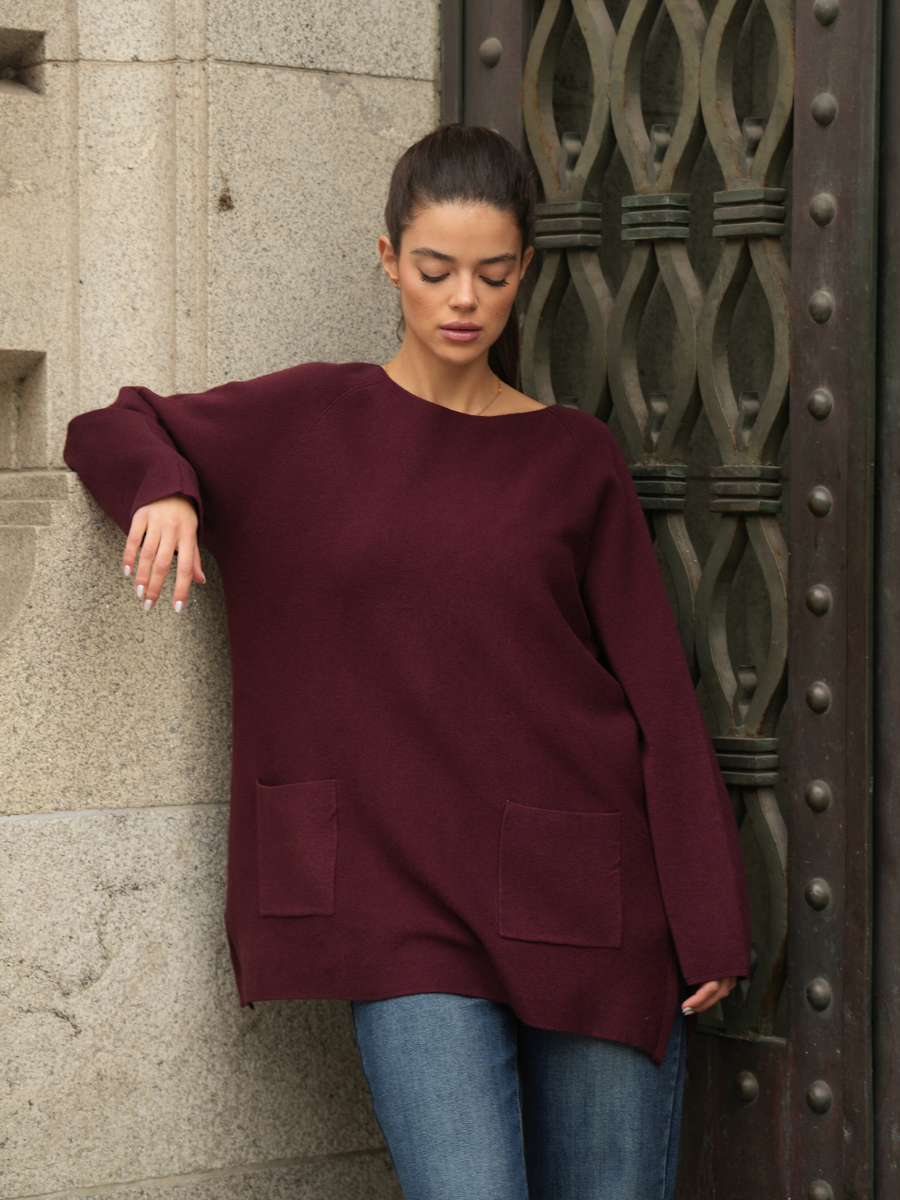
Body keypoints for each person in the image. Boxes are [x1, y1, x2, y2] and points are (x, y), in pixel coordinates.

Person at [64, 124, 751, 1200]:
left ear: (525, 270)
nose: (463, 299)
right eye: (434, 270)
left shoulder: (574, 456)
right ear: (388, 259)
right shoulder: (306, 419)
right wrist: (168, 488)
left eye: (493, 273)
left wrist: (708, 914)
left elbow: (656, 691)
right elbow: (110, 423)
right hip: (400, 906)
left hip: (583, 896)